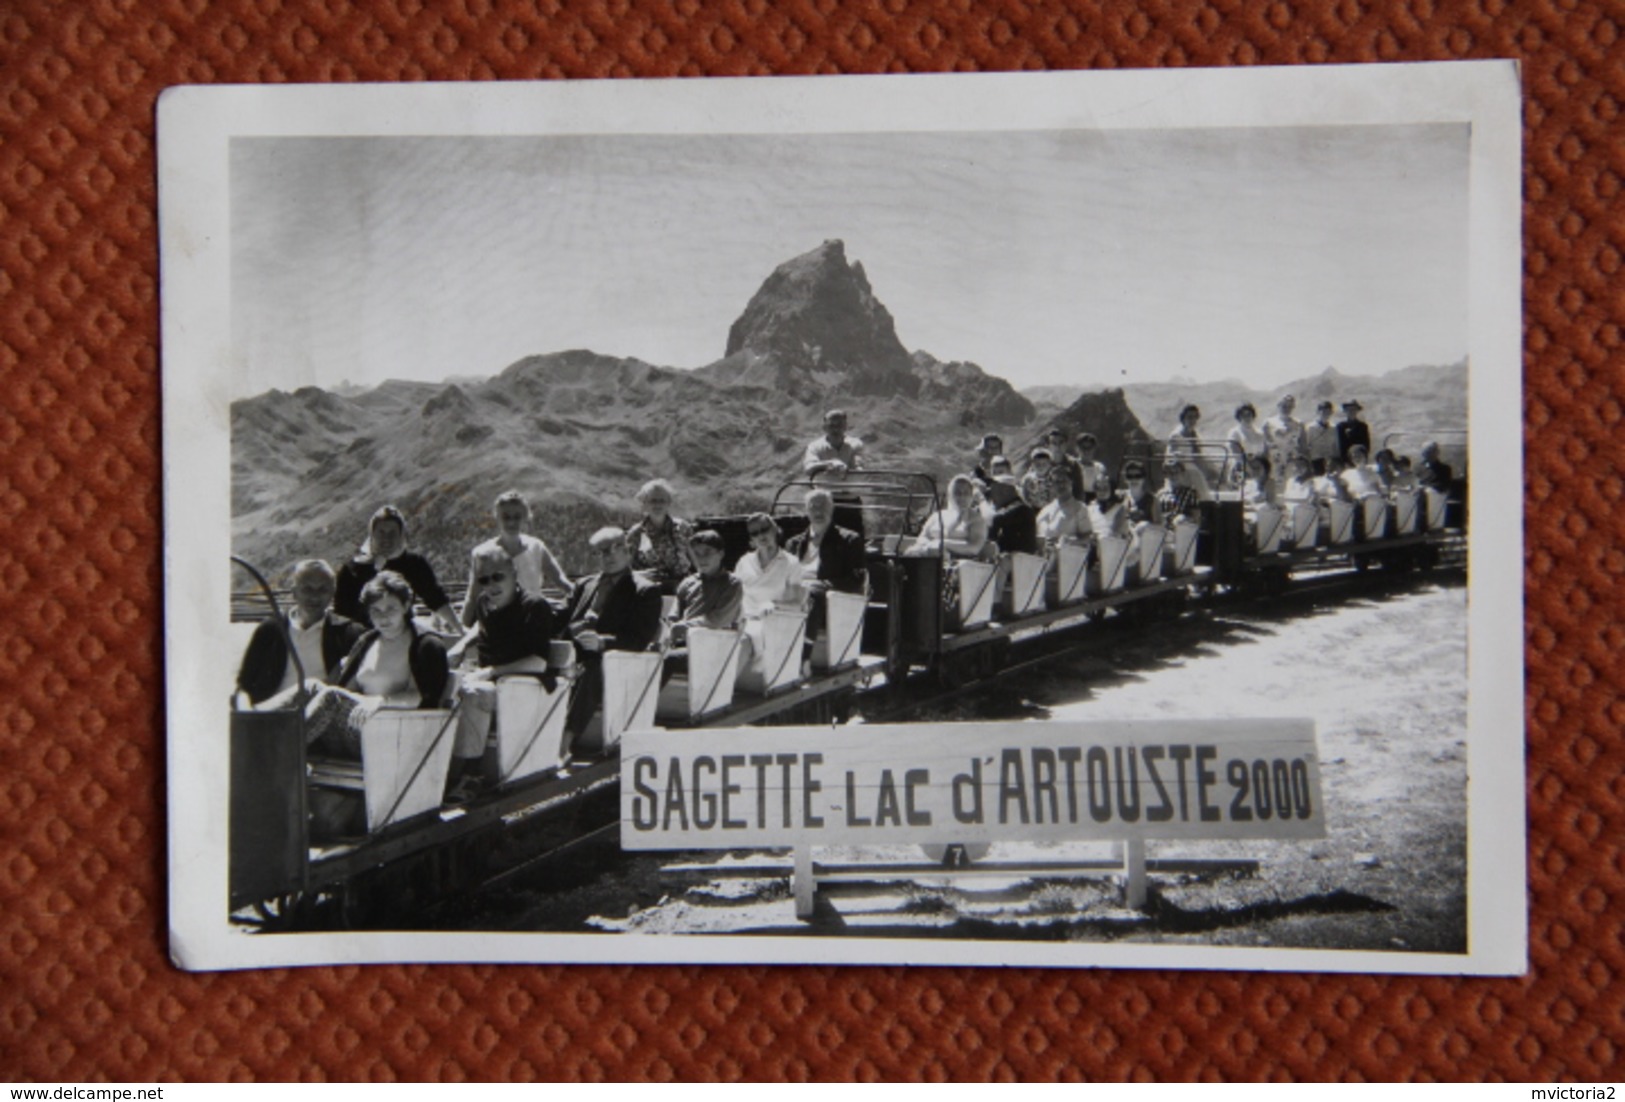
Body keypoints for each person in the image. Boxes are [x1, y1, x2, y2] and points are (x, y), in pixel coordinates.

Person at [444, 546, 563, 800]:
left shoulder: (534, 606)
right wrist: (461, 645)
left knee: (474, 691)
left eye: (498, 577)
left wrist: (490, 672)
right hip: (494, 682)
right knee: (443, 682)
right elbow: (481, 625)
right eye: (484, 580)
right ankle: (438, 767)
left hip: (525, 688)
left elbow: (538, 663)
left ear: (514, 573)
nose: (491, 585)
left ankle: (472, 775)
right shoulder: (484, 603)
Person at [297, 571, 451, 760]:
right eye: (376, 610)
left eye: (391, 609)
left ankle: (283, 757)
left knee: (331, 696)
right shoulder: (367, 641)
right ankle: (270, 741)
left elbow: (421, 697)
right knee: (309, 686)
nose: (383, 617)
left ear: (405, 606)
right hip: (358, 726)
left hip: (394, 737)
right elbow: (347, 690)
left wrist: (380, 701)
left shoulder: (425, 644)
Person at [561, 527, 665, 741]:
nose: (609, 556)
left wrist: (601, 643)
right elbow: (562, 620)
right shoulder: (583, 585)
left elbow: (638, 640)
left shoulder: (645, 591)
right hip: (576, 655)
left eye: (614, 549)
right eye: (601, 552)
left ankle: (566, 739)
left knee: (594, 669)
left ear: (628, 551)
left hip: (619, 661)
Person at [235, 559, 364, 707]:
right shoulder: (270, 631)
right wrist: (244, 710)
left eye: (323, 589)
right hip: (271, 716)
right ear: (294, 592)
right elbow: (244, 686)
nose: (315, 597)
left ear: (333, 593)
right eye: (307, 589)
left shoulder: (348, 633)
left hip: (319, 718)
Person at [333, 505, 458, 633]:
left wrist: (459, 630)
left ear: (401, 535)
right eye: (381, 532)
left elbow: (436, 599)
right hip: (361, 636)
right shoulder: (352, 569)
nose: (386, 538)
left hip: (402, 635)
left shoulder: (414, 564)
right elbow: (342, 612)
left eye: (392, 533)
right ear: (372, 534)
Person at [460, 490, 572, 627]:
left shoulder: (536, 547)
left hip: (533, 618)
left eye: (517, 517)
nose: (512, 522)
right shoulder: (482, 553)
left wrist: (582, 601)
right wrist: (461, 628)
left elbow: (561, 581)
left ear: (526, 517)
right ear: (497, 518)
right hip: (499, 622)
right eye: (506, 517)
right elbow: (473, 596)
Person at [784, 488, 867, 641]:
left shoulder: (849, 540)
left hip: (825, 597)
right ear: (806, 511)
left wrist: (819, 585)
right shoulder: (793, 543)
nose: (818, 511)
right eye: (813, 507)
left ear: (832, 508)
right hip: (796, 591)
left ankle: (805, 656)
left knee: (812, 594)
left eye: (823, 506)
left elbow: (856, 580)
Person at [626, 479, 695, 596]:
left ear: (668, 503)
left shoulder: (683, 528)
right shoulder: (635, 533)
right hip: (648, 592)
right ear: (645, 503)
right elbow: (624, 570)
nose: (658, 504)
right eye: (653, 500)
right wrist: (639, 575)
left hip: (682, 589)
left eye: (662, 500)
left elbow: (697, 561)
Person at [803, 409, 865, 535]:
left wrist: (846, 470)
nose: (835, 430)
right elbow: (808, 468)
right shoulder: (815, 447)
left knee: (854, 537)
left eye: (839, 425)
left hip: (849, 500)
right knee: (822, 536)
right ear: (824, 427)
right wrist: (829, 464)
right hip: (824, 501)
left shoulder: (855, 445)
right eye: (832, 425)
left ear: (845, 426)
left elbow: (859, 469)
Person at [734, 514, 802, 618]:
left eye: (764, 530)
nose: (761, 536)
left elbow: (797, 603)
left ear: (775, 529)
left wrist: (774, 605)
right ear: (751, 539)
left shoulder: (792, 563)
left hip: (775, 622)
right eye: (755, 533)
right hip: (746, 622)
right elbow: (734, 597)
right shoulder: (744, 562)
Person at [916, 474, 994, 560]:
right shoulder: (937, 516)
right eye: (957, 493)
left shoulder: (976, 519)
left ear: (971, 496)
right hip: (929, 554)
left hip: (958, 563)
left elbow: (974, 548)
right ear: (950, 495)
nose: (962, 497)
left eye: (966, 493)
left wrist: (942, 544)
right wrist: (929, 546)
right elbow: (922, 537)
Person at [985, 456, 1039, 556]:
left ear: (1006, 490)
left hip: (1019, 564)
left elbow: (995, 520)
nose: (991, 492)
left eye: (994, 488)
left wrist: (981, 501)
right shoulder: (1008, 508)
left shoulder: (1022, 510)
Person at [1036, 468, 1092, 550]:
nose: (1061, 485)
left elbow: (1089, 538)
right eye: (1057, 482)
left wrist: (1070, 542)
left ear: (1071, 483)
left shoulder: (1080, 508)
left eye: (1064, 481)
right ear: (1051, 485)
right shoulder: (1045, 510)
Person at [1167, 404, 1215, 499]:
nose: (1192, 420)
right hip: (1179, 470)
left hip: (1193, 469)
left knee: (1203, 490)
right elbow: (1172, 456)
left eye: (1194, 417)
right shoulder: (1176, 436)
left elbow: (1199, 455)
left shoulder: (1195, 435)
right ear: (1183, 418)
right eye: (1189, 417)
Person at [1261, 395, 1307, 481]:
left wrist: (1302, 462)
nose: (1286, 409)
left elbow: (1303, 445)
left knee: (1291, 484)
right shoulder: (1268, 423)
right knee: (1274, 484)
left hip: (1292, 459)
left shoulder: (1299, 424)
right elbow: (1264, 445)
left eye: (1290, 406)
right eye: (1284, 406)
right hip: (1274, 459)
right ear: (1278, 406)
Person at [1226, 403, 1269, 473]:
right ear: (1239, 417)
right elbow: (1236, 454)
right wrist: (1249, 469)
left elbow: (1265, 452)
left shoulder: (1260, 433)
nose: (1247, 418)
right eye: (1243, 415)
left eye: (1249, 415)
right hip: (1241, 469)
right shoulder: (1234, 433)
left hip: (1258, 468)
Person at [1074, 433, 1110, 502]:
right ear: (1077, 448)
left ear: (1094, 449)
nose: (1086, 451)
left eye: (1089, 448)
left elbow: (1104, 490)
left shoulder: (1100, 468)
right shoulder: (1073, 465)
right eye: (1083, 448)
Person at [1304, 400, 1341, 466]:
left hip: (1330, 461)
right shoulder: (1310, 428)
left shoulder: (1333, 428)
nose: (1325, 414)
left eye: (1328, 412)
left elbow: (1335, 446)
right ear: (1318, 412)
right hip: (1316, 460)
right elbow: (1306, 445)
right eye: (1323, 411)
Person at [1336, 399, 1372, 463]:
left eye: (1353, 409)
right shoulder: (1341, 426)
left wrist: (1362, 457)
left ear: (1357, 411)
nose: (1351, 412)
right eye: (1349, 410)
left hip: (1360, 459)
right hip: (1345, 460)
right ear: (1345, 411)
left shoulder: (1363, 426)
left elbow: (1366, 444)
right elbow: (1340, 445)